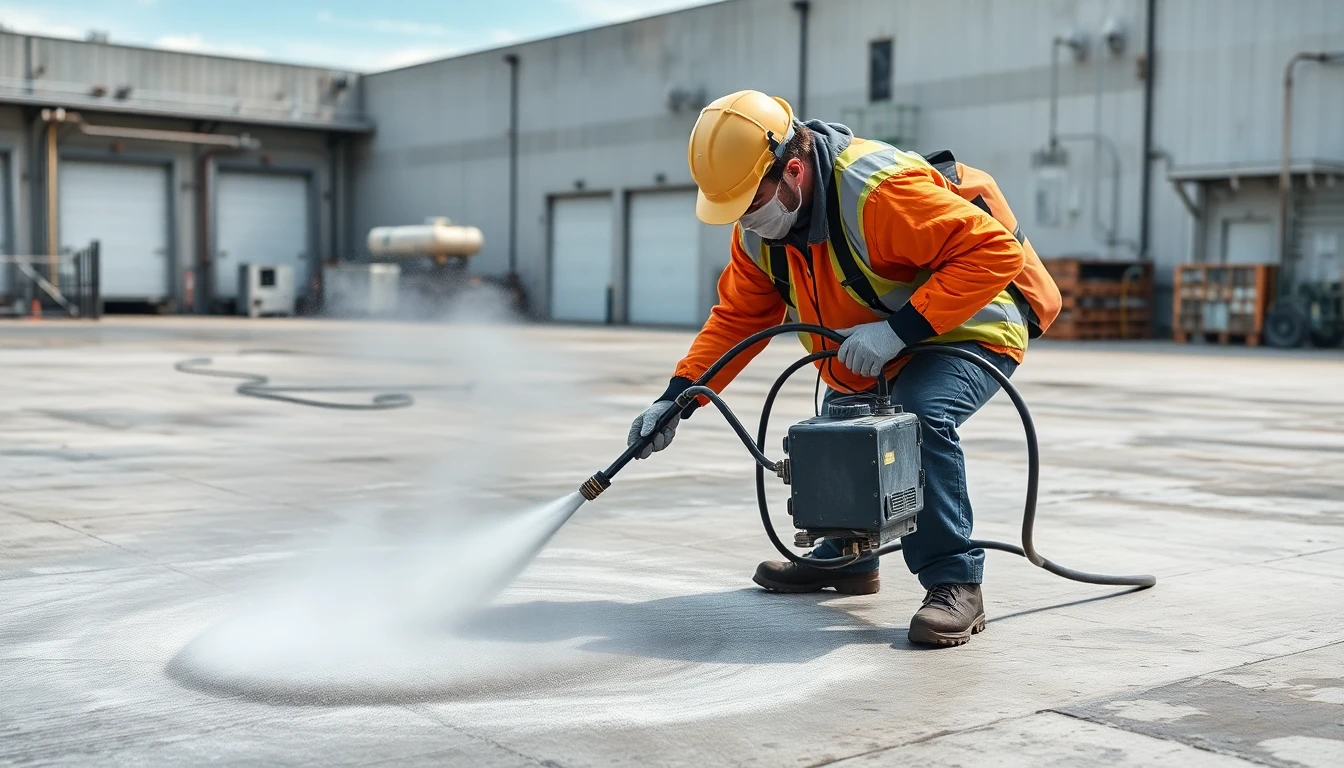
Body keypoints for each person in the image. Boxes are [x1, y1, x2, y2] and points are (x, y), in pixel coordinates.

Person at [626, 90, 1061, 647]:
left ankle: (956, 582)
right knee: (841, 422)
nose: (746, 220)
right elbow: (737, 318)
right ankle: (850, 557)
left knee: (916, 417)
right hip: (875, 337)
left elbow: (994, 253)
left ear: (794, 169)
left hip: (972, 319)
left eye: (751, 202)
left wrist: (896, 332)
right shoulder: (759, 233)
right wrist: (677, 396)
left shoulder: (878, 193)